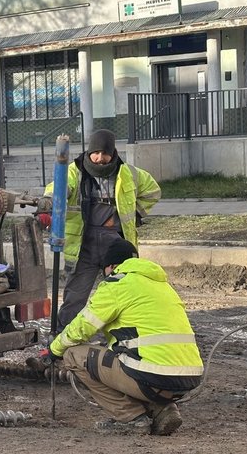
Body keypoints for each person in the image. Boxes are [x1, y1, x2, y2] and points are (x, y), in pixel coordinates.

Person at [33, 239, 203, 435]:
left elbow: (82, 327)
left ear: (112, 266)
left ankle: (130, 417)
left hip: (154, 375)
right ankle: (163, 409)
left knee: (74, 355)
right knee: (131, 356)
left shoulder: (117, 284)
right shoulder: (162, 285)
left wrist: (54, 350)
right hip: (188, 377)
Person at [43, 128, 160, 329]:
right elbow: (61, 186)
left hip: (115, 245)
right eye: (95, 153)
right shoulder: (74, 171)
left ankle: (127, 334)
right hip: (84, 245)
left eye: (105, 153)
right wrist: (49, 200)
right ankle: (63, 335)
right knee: (75, 296)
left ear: (113, 153)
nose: (100, 158)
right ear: (89, 152)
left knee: (123, 292)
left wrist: (135, 214)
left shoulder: (129, 173)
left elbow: (153, 192)